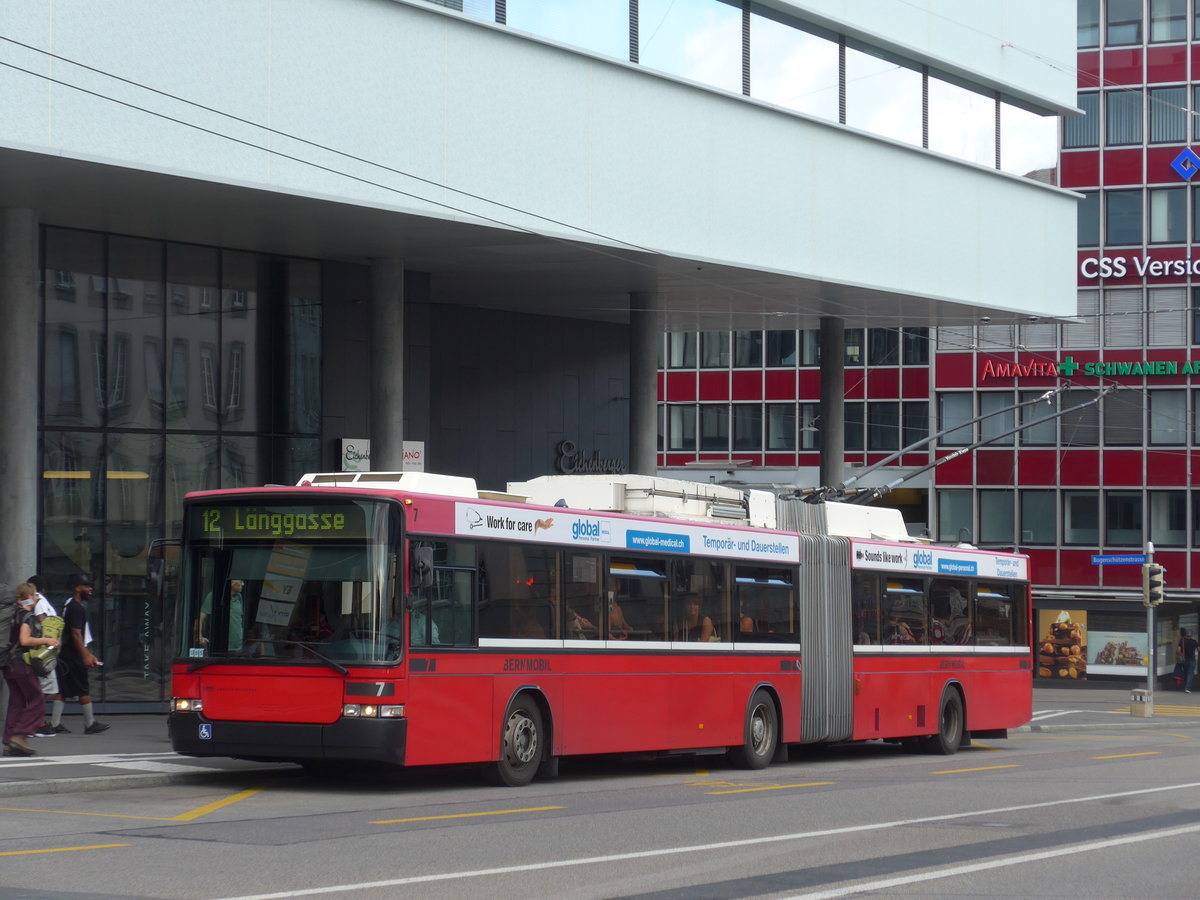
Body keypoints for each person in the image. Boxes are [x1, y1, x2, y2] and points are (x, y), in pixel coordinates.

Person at [3, 584, 60, 756]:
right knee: (37, 699)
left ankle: (9, 742)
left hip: (8, 664)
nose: (36, 598)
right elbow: (25, 640)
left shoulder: (13, 615)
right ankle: (19, 735)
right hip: (22, 663)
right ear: (28, 597)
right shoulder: (27, 616)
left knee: (17, 703)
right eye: (34, 595)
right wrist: (46, 640)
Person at [57, 574, 109, 734]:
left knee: (62, 689)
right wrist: (86, 655)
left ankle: (55, 722)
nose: (90, 589)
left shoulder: (68, 604)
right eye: (86, 586)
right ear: (77, 588)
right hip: (74, 655)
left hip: (65, 654)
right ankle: (90, 723)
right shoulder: (77, 608)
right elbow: (76, 633)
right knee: (83, 688)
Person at [27, 574, 63, 736]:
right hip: (44, 652)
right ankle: (37, 723)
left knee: (44, 689)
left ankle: (35, 722)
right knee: (44, 689)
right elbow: (44, 624)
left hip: (44, 650)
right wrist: (50, 642)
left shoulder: (39, 601)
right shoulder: (40, 602)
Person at [198, 579, 245, 652]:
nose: (243, 584)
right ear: (232, 582)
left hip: (238, 649)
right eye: (240, 581)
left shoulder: (239, 597)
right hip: (219, 649)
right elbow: (200, 619)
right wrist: (199, 636)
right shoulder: (213, 596)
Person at [1179, 628, 1199, 693]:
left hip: (1184, 660)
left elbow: (1178, 651)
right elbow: (1199, 650)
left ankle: (1186, 687)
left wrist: (1181, 654)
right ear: (1191, 635)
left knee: (1185, 674)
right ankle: (1187, 688)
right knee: (1190, 674)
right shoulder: (1194, 641)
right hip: (1192, 660)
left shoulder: (1182, 641)